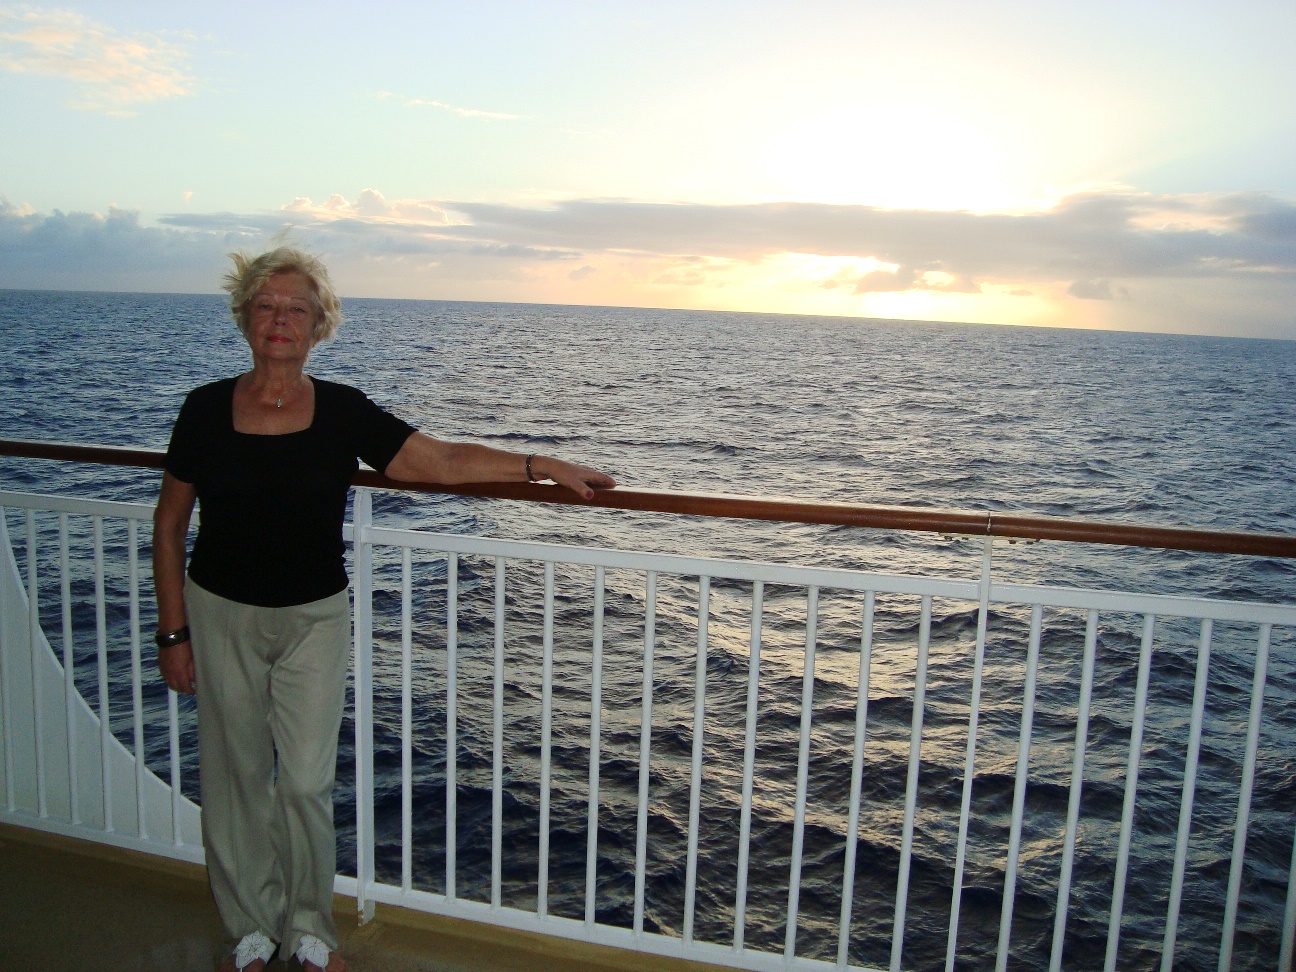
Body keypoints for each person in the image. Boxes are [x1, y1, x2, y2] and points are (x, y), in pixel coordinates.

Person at [153, 247, 615, 972]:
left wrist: (540, 465)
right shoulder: (205, 409)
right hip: (220, 613)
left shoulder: (341, 410)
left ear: (319, 325)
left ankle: (310, 929)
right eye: (266, 306)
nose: (280, 320)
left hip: (312, 618)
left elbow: (437, 461)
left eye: (296, 309)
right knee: (235, 778)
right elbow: (169, 525)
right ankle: (251, 929)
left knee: (305, 782)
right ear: (245, 318)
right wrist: (173, 632)